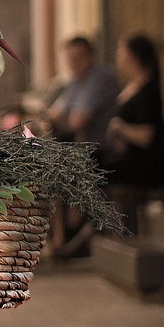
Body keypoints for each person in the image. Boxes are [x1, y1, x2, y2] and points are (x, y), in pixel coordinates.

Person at [47, 36, 118, 257]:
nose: (74, 63)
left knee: (58, 171)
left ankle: (68, 237)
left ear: (91, 56)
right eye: (70, 59)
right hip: (85, 151)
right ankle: (62, 236)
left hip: (107, 152)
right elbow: (52, 115)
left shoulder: (99, 78)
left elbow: (78, 120)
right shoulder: (74, 83)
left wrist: (57, 119)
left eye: (79, 58)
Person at [101, 33, 164, 232]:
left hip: (144, 165)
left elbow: (146, 135)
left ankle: (90, 233)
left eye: (120, 51)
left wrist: (119, 128)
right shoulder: (132, 86)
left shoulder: (148, 91)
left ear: (132, 56)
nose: (117, 56)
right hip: (128, 157)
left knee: (89, 166)